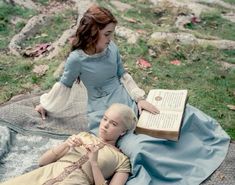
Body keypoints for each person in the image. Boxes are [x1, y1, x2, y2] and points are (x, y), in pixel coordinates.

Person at [34, 4, 230, 185]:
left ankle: (200, 148)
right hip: (105, 111)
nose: (110, 38)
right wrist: (46, 105)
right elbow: (63, 86)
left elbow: (123, 75)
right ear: (93, 32)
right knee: (141, 146)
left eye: (112, 33)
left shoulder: (112, 49)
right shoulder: (77, 59)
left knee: (181, 114)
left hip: (126, 99)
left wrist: (140, 99)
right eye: (107, 33)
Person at [1, 103, 137, 185]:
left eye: (113, 124)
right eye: (105, 119)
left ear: (123, 131)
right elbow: (42, 162)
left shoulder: (122, 161)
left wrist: (94, 163)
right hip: (43, 175)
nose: (105, 125)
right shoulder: (84, 136)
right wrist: (66, 144)